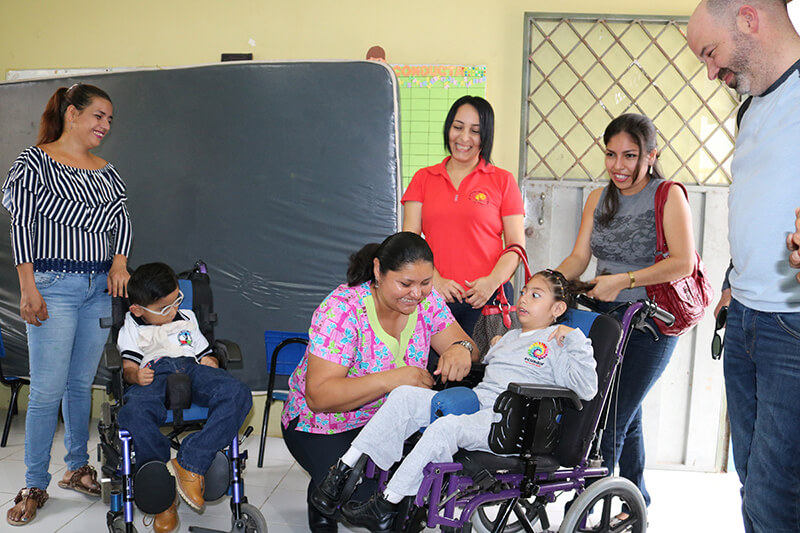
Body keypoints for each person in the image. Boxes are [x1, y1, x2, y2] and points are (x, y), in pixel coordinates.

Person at [310, 270, 597, 533]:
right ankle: (341, 473)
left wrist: (574, 339)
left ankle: (386, 505)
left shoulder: (560, 342)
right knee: (404, 396)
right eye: (523, 292)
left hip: (513, 424)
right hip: (481, 407)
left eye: (535, 295)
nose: (523, 299)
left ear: (557, 309)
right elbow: (484, 372)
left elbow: (587, 388)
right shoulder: (509, 338)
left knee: (445, 428)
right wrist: (495, 347)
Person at [688, 2, 800, 532]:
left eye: (711, 53)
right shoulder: (751, 107)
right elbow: (759, 201)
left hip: (791, 328)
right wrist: (734, 280)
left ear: (749, 20)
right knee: (753, 483)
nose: (711, 72)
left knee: (777, 498)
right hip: (747, 322)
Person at [280, 231, 476, 533]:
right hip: (319, 424)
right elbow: (319, 396)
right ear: (377, 271)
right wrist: (393, 379)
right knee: (374, 506)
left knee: (412, 507)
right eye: (406, 283)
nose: (417, 293)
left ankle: (325, 496)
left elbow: (467, 346)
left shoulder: (427, 302)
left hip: (385, 424)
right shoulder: (343, 310)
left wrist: (460, 350)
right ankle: (323, 501)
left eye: (426, 283)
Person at [2, 83, 132, 526]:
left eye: (110, 120)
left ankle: (77, 468)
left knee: (81, 386)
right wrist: (28, 286)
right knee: (46, 391)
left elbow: (124, 222)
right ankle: (34, 483)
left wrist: (119, 263)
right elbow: (20, 225)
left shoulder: (105, 169)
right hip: (52, 285)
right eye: (98, 115)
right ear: (72, 114)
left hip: (97, 288)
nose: (105, 126)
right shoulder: (34, 161)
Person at [555, 113, 696, 512]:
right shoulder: (598, 199)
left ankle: (586, 510)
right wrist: (548, 282)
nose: (618, 165)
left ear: (651, 156)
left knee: (607, 423)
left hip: (652, 324)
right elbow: (580, 257)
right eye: (611, 154)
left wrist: (624, 280)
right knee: (623, 412)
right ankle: (636, 503)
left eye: (630, 155)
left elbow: (683, 262)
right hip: (605, 322)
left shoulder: (668, 195)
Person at [115, 262, 252, 533]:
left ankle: (190, 462)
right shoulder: (131, 327)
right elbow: (129, 368)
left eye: (177, 300)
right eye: (165, 308)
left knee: (238, 393)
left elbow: (203, 352)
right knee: (132, 414)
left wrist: (210, 360)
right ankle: (163, 497)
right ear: (138, 309)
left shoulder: (187, 317)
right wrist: (134, 376)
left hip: (192, 370)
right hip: (153, 374)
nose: (174, 309)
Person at [402, 96, 525, 337]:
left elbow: (516, 246)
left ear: (486, 136)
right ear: (448, 128)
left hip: (489, 301)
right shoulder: (423, 178)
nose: (464, 138)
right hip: (432, 296)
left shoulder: (503, 180)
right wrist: (434, 280)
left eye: (475, 131)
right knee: (432, 372)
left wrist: (491, 283)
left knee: (487, 371)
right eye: (458, 127)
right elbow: (409, 240)